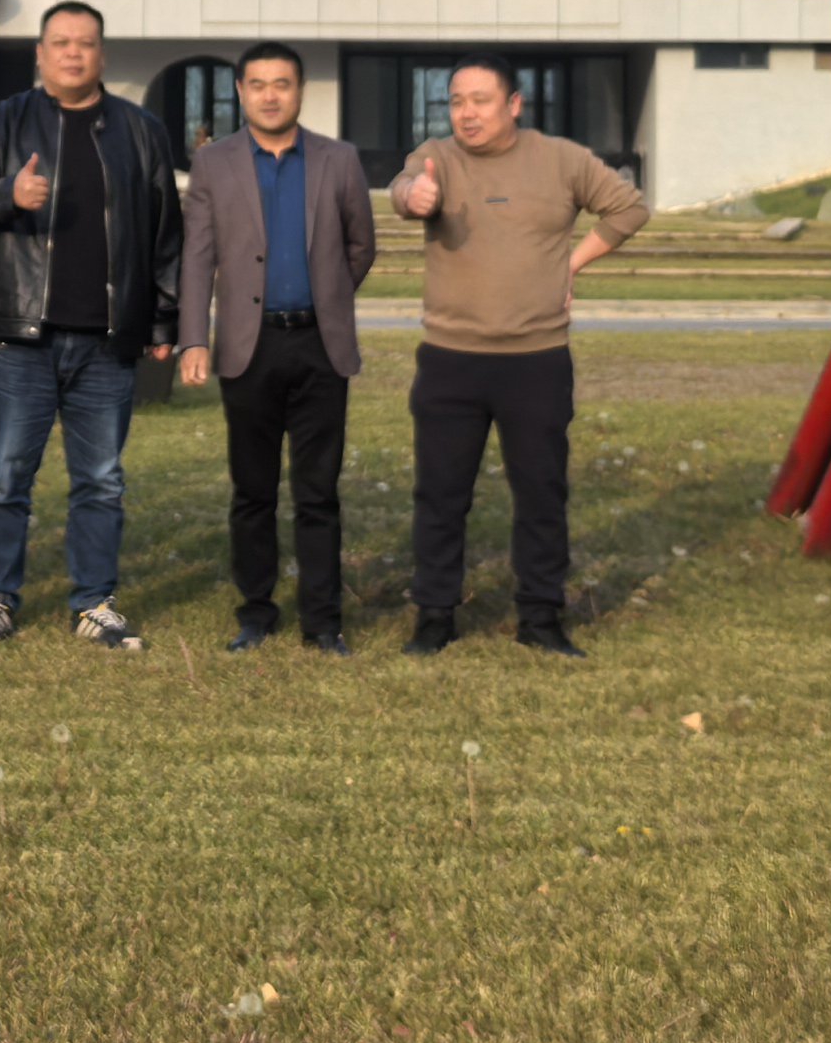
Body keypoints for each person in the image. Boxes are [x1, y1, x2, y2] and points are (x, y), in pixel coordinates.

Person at [390, 55, 648, 657]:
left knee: (541, 494)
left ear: (513, 104)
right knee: (440, 495)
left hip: (537, 359)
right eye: (456, 101)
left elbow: (629, 208)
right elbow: (404, 190)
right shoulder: (436, 157)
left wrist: (570, 264)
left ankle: (541, 617)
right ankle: (434, 617)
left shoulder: (562, 160)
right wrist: (414, 195)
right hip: (450, 359)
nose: (466, 113)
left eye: (480, 100)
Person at [0, 1, 180, 650]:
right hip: (23, 335)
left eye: (85, 43)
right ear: (40, 54)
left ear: (102, 54)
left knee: (101, 480)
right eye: (61, 43)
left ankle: (94, 602)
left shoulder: (139, 129)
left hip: (107, 341)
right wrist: (10, 195)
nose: (73, 54)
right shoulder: (3, 119)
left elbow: (165, 229)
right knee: (6, 476)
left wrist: (164, 320)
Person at [174, 43, 378, 651]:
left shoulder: (339, 160)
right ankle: (256, 613)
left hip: (320, 347)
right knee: (252, 492)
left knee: (318, 493)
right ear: (241, 91)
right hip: (248, 347)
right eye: (258, 84)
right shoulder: (214, 163)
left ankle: (323, 622)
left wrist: (328, 297)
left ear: (300, 90)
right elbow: (197, 257)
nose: (270, 95)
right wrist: (193, 337)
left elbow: (360, 246)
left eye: (282, 84)